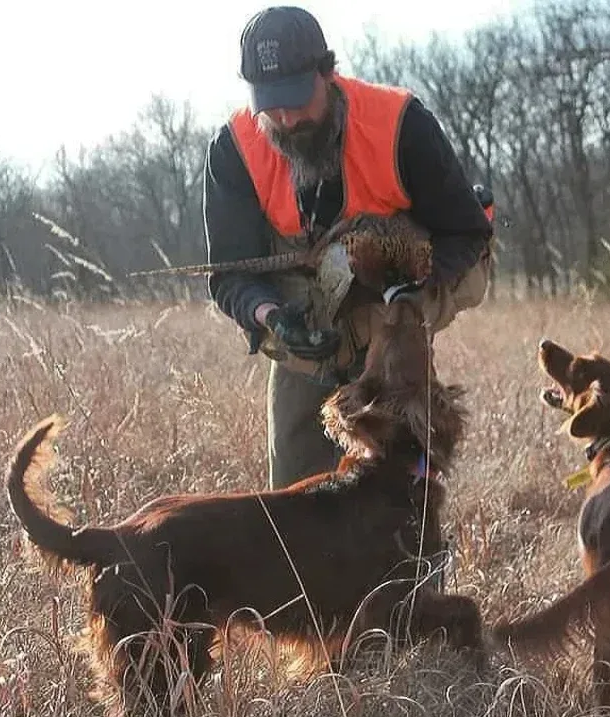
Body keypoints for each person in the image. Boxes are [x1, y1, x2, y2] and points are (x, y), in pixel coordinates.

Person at [203, 6, 493, 491]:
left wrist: (409, 289)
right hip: (305, 329)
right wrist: (272, 316)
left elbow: (466, 231)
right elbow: (228, 274)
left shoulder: (402, 126)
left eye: (297, 98)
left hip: (394, 320)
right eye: (270, 104)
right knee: (297, 495)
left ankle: (417, 566)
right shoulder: (233, 151)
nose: (287, 117)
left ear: (328, 72)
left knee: (407, 489)